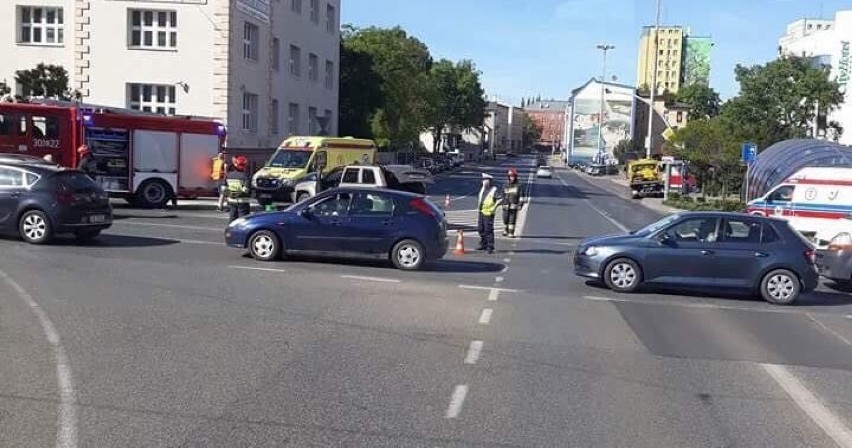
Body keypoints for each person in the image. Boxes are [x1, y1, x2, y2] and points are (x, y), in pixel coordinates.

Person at [477, 173, 502, 254]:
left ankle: (490, 246)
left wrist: (495, 207)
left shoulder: (494, 190)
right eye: (483, 180)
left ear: (489, 181)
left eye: (485, 180)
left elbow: (500, 199)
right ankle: (483, 244)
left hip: (489, 213)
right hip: (481, 211)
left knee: (488, 230)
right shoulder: (482, 188)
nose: (483, 181)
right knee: (481, 229)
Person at [225, 155, 252, 222]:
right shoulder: (245, 176)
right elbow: (246, 190)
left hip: (231, 200)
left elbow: (223, 189)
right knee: (242, 220)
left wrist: (231, 194)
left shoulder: (228, 175)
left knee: (232, 218)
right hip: (242, 201)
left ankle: (231, 231)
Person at [501, 167, 524, 238]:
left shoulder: (519, 186)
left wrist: (520, 205)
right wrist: (503, 203)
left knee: (512, 220)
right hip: (505, 206)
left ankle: (511, 232)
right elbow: (502, 195)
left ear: (515, 177)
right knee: (505, 219)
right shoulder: (505, 185)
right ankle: (505, 230)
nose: (512, 178)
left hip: (513, 206)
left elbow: (521, 197)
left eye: (513, 176)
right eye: (510, 176)